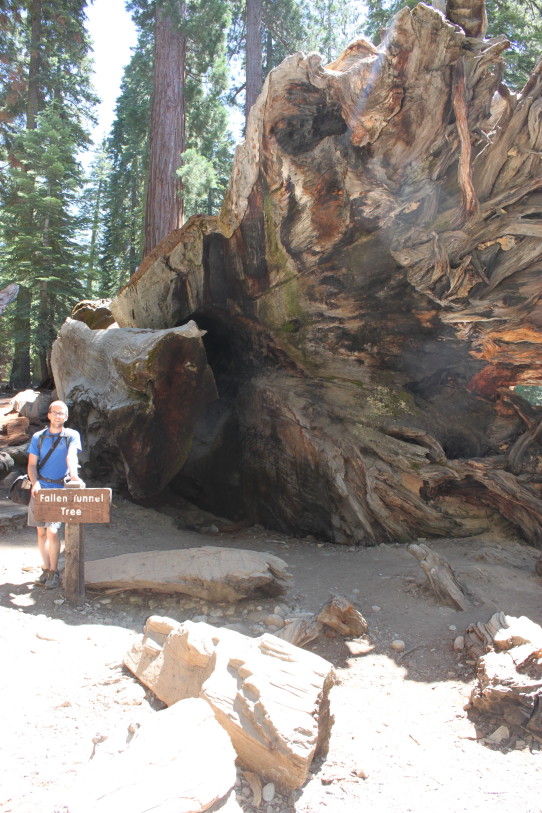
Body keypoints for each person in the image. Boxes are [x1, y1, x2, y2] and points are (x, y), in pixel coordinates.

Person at [27, 400, 82, 589]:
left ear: (66, 417)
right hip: (40, 488)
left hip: (59, 490)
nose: (58, 416)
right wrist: (35, 484)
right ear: (49, 415)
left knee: (52, 531)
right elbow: (32, 464)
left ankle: (54, 571)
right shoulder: (38, 437)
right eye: (55, 412)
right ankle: (45, 568)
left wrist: (74, 475)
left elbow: (71, 456)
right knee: (40, 531)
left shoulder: (71, 436)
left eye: (62, 413)